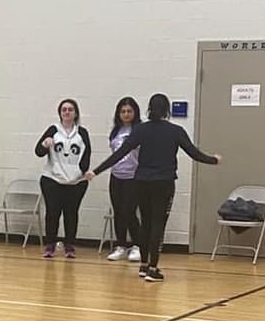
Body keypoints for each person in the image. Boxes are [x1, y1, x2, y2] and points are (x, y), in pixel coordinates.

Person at [86, 93, 221, 282]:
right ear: (167, 110)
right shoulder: (175, 131)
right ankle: (153, 268)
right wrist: (213, 160)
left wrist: (96, 170)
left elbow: (120, 153)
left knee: (146, 223)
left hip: (141, 181)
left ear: (149, 109)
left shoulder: (141, 130)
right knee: (158, 223)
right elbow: (193, 153)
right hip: (163, 183)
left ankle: (144, 265)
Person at [34, 100, 90, 258]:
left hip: (76, 182)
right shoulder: (53, 130)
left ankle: (69, 245)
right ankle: (50, 245)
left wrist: (81, 172)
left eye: (70, 109)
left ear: (75, 113)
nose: (67, 112)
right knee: (52, 213)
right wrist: (45, 144)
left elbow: (87, 155)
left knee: (71, 214)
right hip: (52, 179)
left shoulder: (82, 132)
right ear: (60, 113)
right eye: (64, 109)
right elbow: (38, 151)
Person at [105, 96, 143, 262]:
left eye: (129, 111)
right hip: (116, 176)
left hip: (133, 177)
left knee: (129, 212)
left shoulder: (139, 130)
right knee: (118, 211)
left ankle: (137, 245)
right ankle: (121, 245)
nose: (126, 114)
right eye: (123, 111)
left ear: (135, 113)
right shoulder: (116, 131)